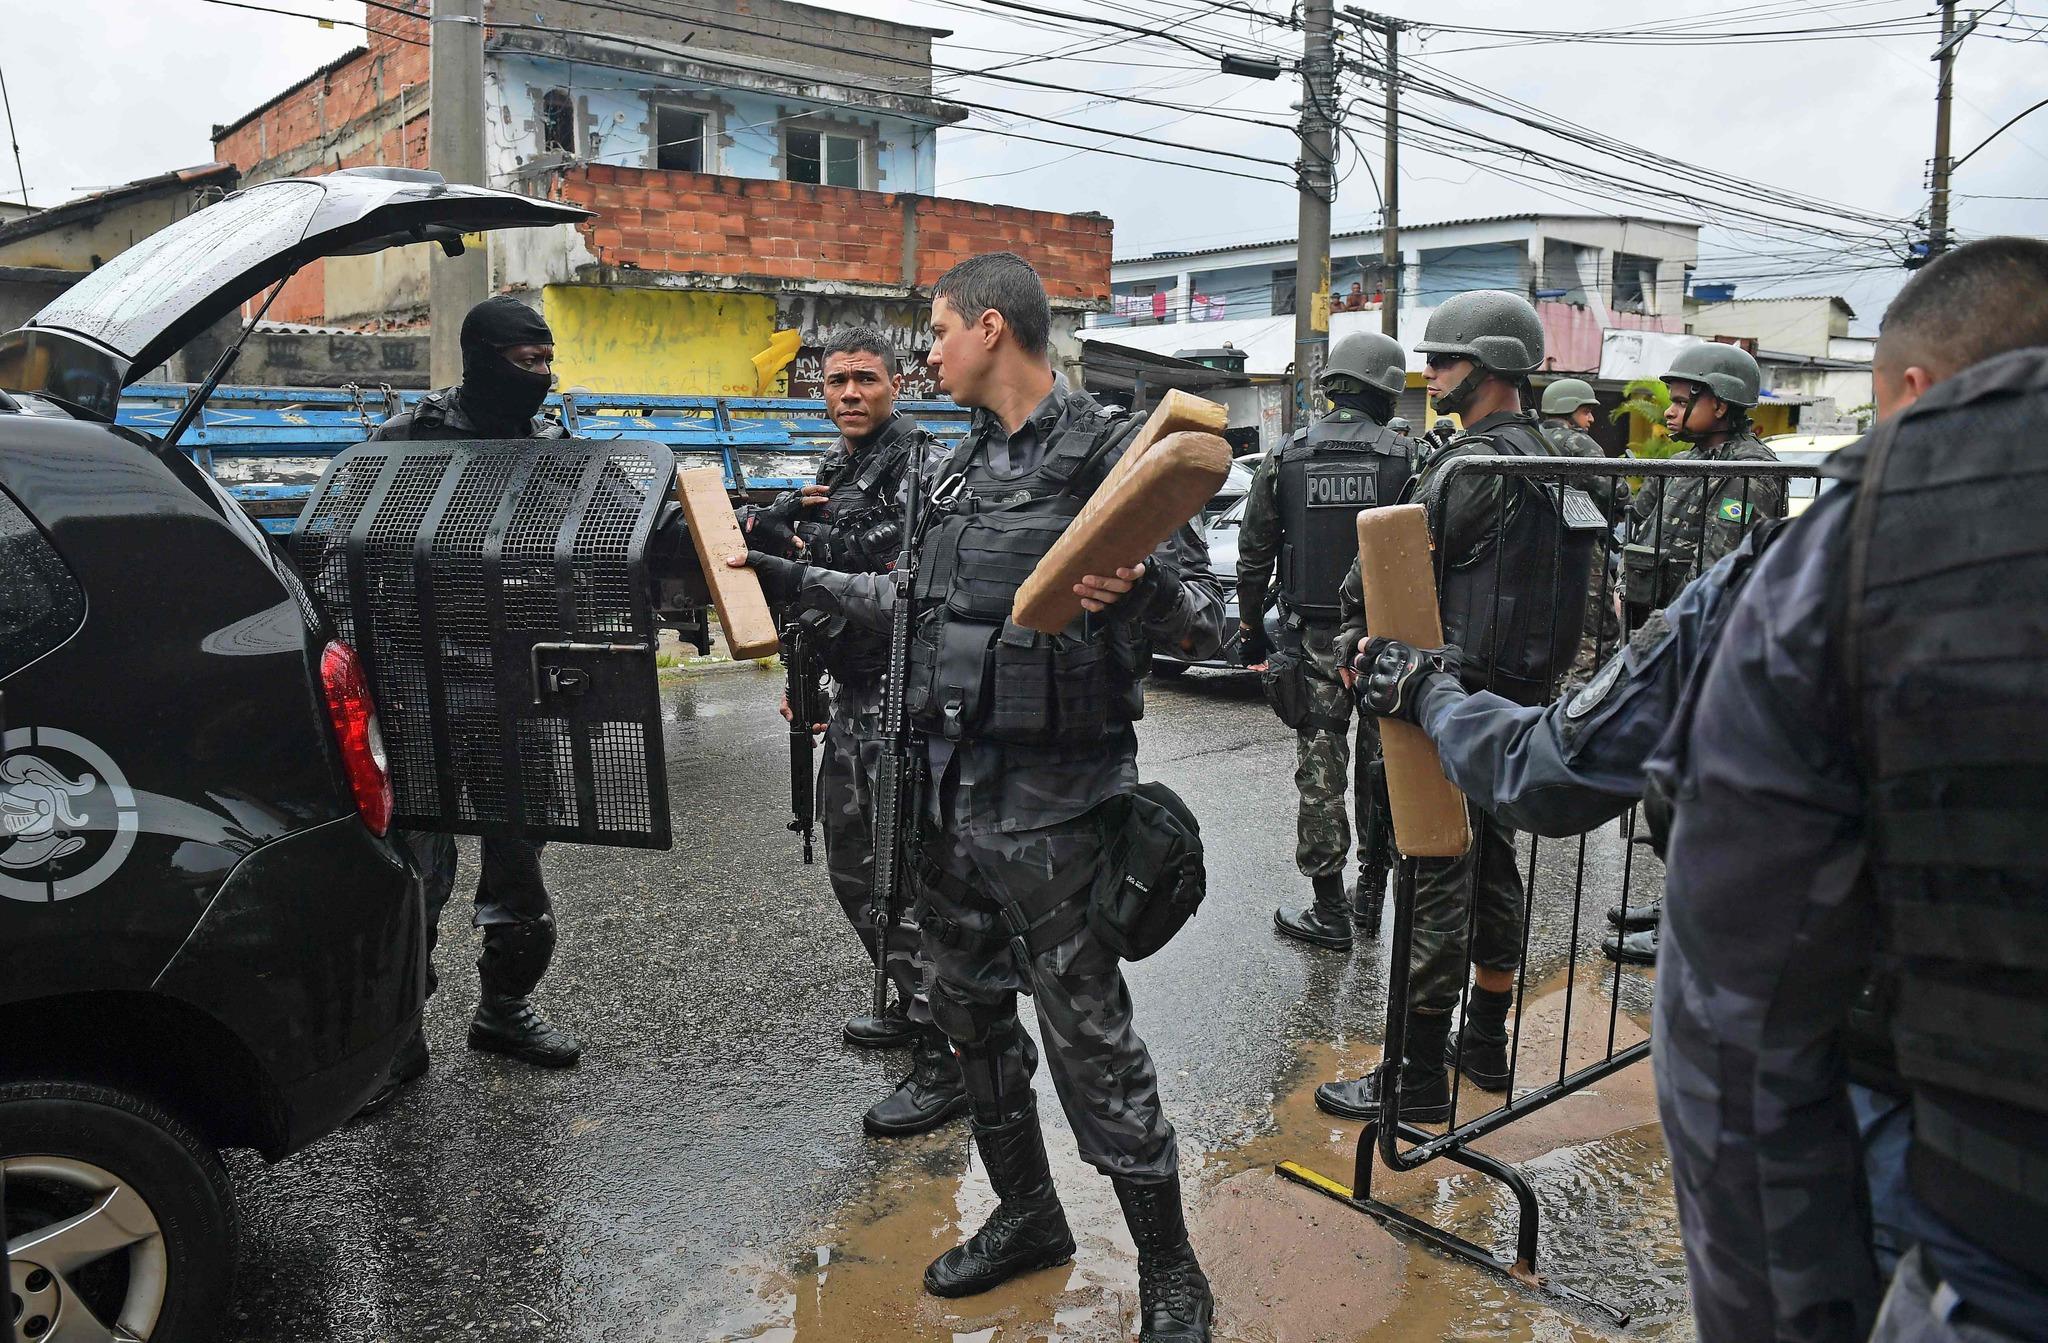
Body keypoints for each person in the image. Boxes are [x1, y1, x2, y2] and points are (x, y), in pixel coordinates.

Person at [1347, 238, 2048, 1342]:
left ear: (1912, 393)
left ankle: (1443, 1063)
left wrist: (1426, 694)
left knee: (1460, 886)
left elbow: (1554, 770)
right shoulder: (1565, 466)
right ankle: (1474, 1043)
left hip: (1950, 1208)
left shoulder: (1822, 562)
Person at [739, 252, 1226, 1342]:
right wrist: (795, 577)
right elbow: (911, 607)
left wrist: (1138, 587)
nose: (928, 351)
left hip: (1058, 804)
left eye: (940, 328)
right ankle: (1028, 1212)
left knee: (1090, 1038)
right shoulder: (949, 472)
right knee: (965, 1016)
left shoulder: (1111, 455)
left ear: (994, 329)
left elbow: (1213, 621)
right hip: (946, 794)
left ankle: (1171, 1269)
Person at [1313, 290, 1599, 1125]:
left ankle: (1414, 1075)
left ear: (1489, 365)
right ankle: (1484, 1040)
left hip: (1442, 698)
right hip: (1516, 703)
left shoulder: (1469, 467)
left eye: (1442, 360)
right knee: (1494, 869)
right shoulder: (1563, 457)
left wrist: (1353, 650)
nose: (1428, 373)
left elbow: (1383, 564)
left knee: (1433, 874)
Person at [357, 296, 583, 1114]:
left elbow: (585, 542)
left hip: (514, 675)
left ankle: (504, 1009)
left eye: (548, 358)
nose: (542, 373)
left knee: (519, 854)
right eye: (526, 359)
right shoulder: (406, 440)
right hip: (421, 677)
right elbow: (349, 544)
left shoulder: (551, 448)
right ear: (480, 356)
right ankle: (397, 1035)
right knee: (416, 868)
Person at [746, 326, 967, 1138]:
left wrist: (806, 555)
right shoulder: (840, 468)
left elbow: (898, 585)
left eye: (864, 379)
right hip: (854, 693)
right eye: (835, 380)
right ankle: (916, 1006)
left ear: (897, 383)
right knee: (856, 865)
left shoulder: (924, 468)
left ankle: (946, 1054)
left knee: (902, 875)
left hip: (905, 701)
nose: (847, 393)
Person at [1235, 330, 1414, 950]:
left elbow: (1253, 555)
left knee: (1320, 772)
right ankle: (1371, 898)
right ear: (1386, 392)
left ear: (1336, 386)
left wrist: (1251, 629)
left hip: (1313, 638)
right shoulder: (1406, 459)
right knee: (1383, 768)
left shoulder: (1286, 456)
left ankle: (1329, 911)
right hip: (1385, 641)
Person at [1606, 342, 1780, 965]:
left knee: (1697, 788)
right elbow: (1642, 533)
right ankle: (1675, 897)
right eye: (1673, 401)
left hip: (1707, 651)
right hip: (1667, 644)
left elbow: (1722, 576)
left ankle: (1690, 918)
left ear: (1725, 405)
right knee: (1669, 780)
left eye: (1686, 401)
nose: (1672, 412)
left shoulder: (1746, 473)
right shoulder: (1691, 463)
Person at [1537, 377, 1630, 696]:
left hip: (1539, 548)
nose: (1591, 420)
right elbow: (1614, 490)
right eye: (1586, 412)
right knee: (1596, 628)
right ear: (1567, 409)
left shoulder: (1533, 437)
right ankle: (1581, 699)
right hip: (1582, 548)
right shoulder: (1579, 443)